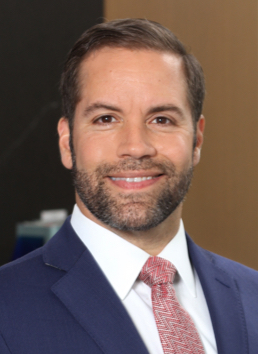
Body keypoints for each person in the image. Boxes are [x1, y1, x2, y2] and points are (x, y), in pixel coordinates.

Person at [0, 18, 257, 354]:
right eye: (105, 119)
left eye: (161, 119)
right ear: (67, 142)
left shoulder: (252, 295)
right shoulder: (7, 308)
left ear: (197, 140)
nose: (136, 146)